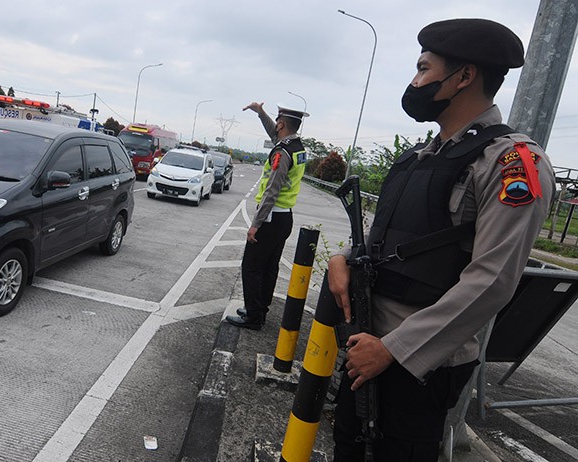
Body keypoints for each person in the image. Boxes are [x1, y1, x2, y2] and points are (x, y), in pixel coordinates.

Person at [329, 18, 556, 461]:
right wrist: (342, 257)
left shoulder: (512, 162)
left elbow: (493, 279)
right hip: (367, 345)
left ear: (464, 76)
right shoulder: (422, 155)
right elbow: (387, 234)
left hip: (418, 365)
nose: (414, 82)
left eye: (423, 68)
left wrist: (393, 349)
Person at [226, 103, 309, 330]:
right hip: (285, 218)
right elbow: (276, 134)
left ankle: (253, 317)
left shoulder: (282, 153)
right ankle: (260, 309)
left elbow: (272, 190)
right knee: (269, 267)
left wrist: (255, 224)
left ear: (281, 123)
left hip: (271, 218)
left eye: (277, 122)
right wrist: (261, 113)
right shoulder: (297, 148)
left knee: (251, 266)